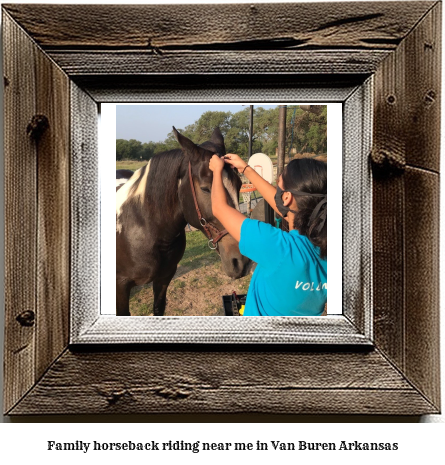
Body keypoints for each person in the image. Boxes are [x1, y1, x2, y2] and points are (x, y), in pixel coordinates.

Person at [209, 153, 327, 316]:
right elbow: (291, 209)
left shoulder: (279, 248)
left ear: (287, 197)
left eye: (278, 185)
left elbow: (219, 208)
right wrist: (245, 169)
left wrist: (216, 171)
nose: (276, 191)